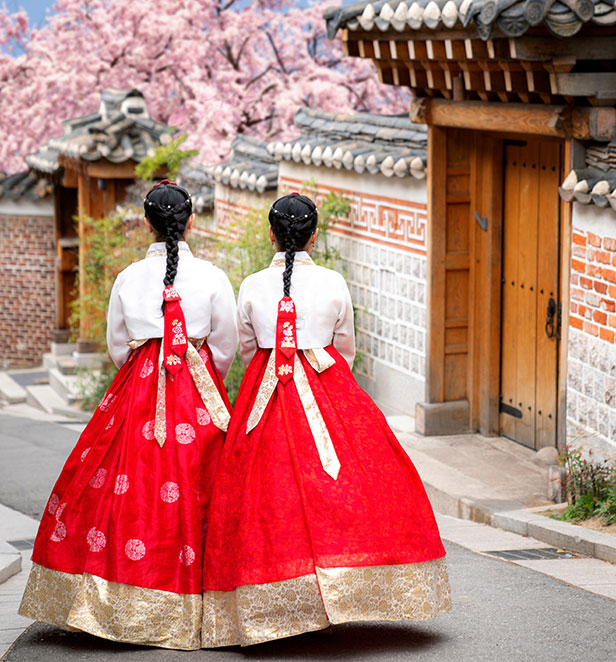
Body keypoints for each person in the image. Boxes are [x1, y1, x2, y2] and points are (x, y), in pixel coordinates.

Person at [201, 192, 451, 647]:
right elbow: (346, 346)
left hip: (267, 386)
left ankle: (271, 598)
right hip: (326, 381)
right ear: (315, 235)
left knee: (268, 493)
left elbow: (246, 348)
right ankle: (346, 589)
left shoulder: (253, 284)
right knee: (343, 488)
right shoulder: (334, 280)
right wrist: (332, 388)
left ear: (270, 234)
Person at [19, 180, 238, 650]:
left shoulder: (126, 277)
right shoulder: (215, 277)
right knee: (203, 487)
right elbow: (225, 346)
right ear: (192, 221)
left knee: (123, 488)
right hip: (196, 386)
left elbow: (118, 345)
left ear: (146, 223)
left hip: (137, 390)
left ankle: (115, 600)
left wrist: (141, 373)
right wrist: (202, 375)